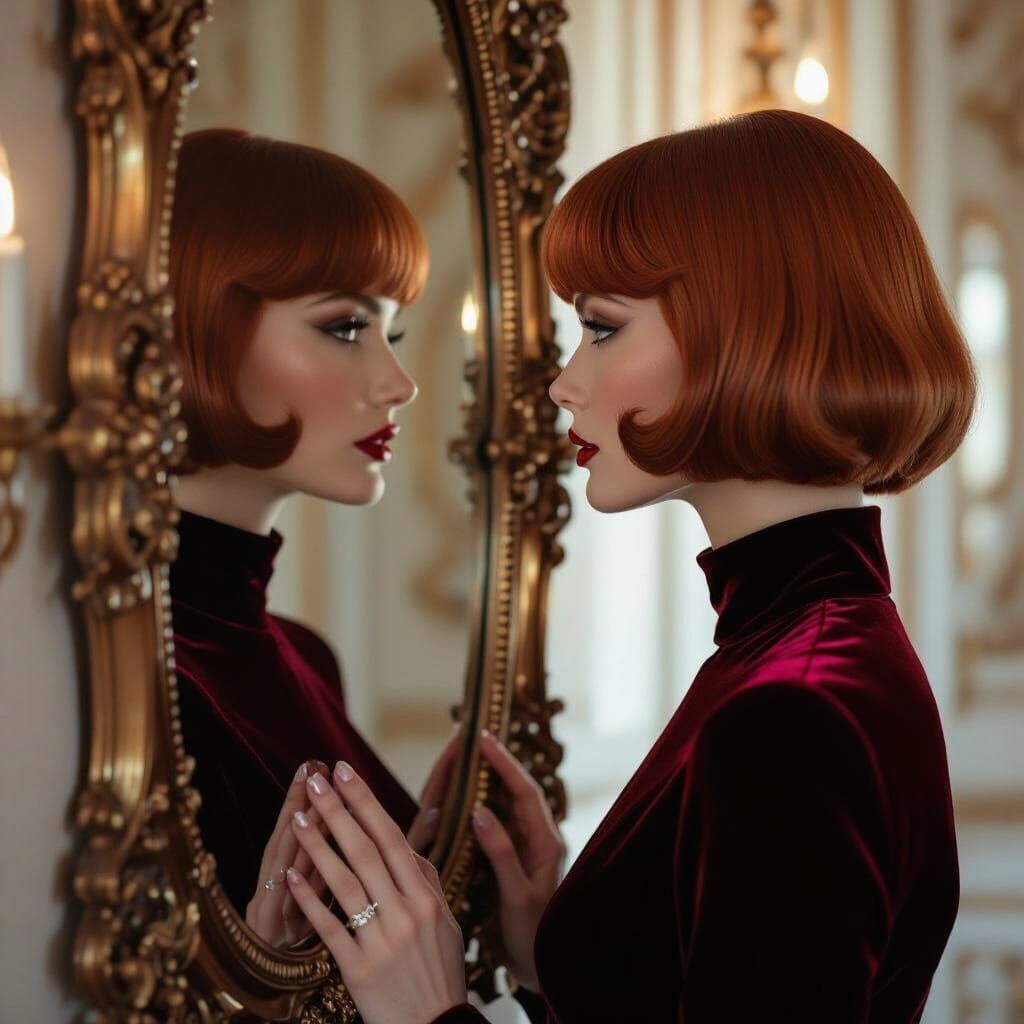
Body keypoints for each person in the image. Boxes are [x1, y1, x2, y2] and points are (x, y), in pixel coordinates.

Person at [280, 109, 975, 1023]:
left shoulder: (790, 709)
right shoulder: (813, 646)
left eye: (601, 329)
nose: (565, 381)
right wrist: (566, 961)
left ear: (746, 330)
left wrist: (432, 1015)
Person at [167, 128, 443, 946]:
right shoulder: (143, 683)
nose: (398, 383)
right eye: (346, 327)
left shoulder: (304, 656)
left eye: (390, 332)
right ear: (199, 326)